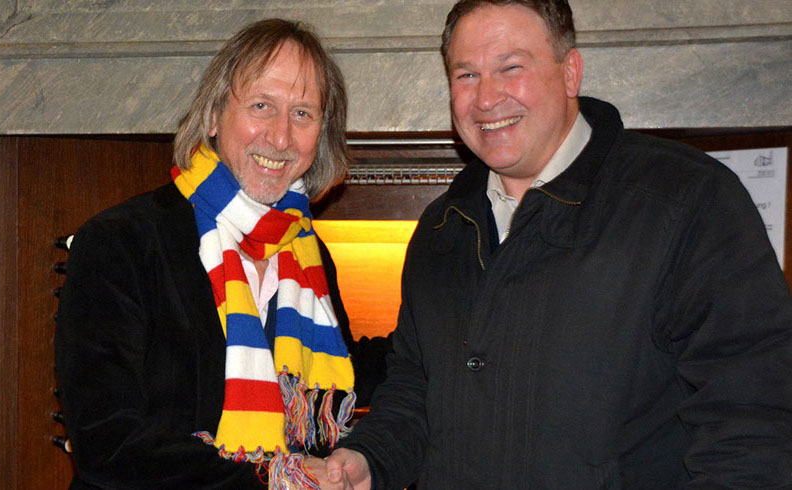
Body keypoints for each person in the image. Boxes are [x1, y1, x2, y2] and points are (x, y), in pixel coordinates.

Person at [312, 0, 792, 488]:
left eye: (511, 68)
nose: (486, 98)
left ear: (570, 73)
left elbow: (753, 424)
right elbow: (415, 388)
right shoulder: (441, 227)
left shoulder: (688, 200)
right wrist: (369, 460)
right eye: (467, 75)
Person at [54, 18, 386, 489]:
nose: (280, 137)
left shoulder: (307, 251)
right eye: (260, 106)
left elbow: (341, 377)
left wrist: (446, 336)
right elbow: (107, 444)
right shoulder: (120, 242)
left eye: (302, 114)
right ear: (213, 116)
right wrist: (278, 479)